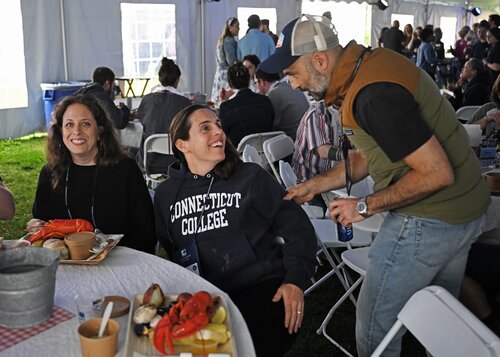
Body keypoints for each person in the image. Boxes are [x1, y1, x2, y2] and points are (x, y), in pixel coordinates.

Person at [259, 14, 490, 356]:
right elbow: (369, 156)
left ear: (320, 60)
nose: (291, 85)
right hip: (464, 210)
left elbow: (437, 173)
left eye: (293, 73)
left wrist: (364, 206)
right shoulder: (370, 64)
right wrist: (314, 185)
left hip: (428, 219)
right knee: (443, 317)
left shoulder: (370, 95)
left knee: (374, 325)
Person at [154, 104, 317, 357]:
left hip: (260, 288)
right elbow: (171, 246)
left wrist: (295, 281)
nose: (218, 132)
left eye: (218, 125)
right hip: (201, 294)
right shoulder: (165, 195)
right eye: (205, 128)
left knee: (236, 349)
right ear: (182, 145)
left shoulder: (250, 177)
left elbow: (299, 229)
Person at [27, 94, 156, 254]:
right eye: (69, 124)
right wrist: (35, 224)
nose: (76, 132)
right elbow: (41, 222)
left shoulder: (125, 170)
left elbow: (146, 233)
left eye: (85, 124)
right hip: (66, 267)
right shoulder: (49, 174)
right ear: (60, 132)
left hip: (120, 263)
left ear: (100, 130)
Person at [136, 57, 192, 174]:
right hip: (178, 161)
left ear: (160, 79)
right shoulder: (185, 103)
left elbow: (141, 119)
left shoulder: (147, 100)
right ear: (177, 80)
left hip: (150, 161)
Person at [218, 62, 274, 147]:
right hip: (266, 152)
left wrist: (223, 102)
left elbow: (221, 133)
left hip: (239, 154)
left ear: (229, 84)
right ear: (249, 80)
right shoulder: (265, 101)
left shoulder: (227, 107)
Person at [292, 101, 342, 183]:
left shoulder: (347, 111)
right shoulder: (316, 112)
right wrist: (355, 155)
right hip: (311, 181)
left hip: (333, 175)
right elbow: (323, 151)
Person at [254, 68, 309, 141]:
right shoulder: (290, 87)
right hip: (307, 135)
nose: (256, 86)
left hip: (294, 141)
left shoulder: (274, 94)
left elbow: (272, 125)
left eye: (255, 83)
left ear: (262, 82)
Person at [211, 17, 239, 102]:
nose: (238, 28)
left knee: (218, 99)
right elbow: (231, 60)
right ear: (230, 27)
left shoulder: (222, 40)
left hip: (219, 74)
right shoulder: (229, 41)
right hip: (226, 75)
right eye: (236, 26)